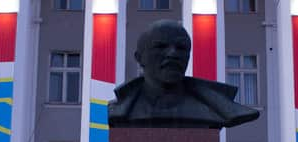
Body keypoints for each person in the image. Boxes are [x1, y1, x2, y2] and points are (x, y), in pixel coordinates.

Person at [108, 20, 259, 129]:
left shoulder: (215, 109)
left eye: (181, 48)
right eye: (160, 46)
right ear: (139, 58)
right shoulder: (120, 109)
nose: (173, 54)